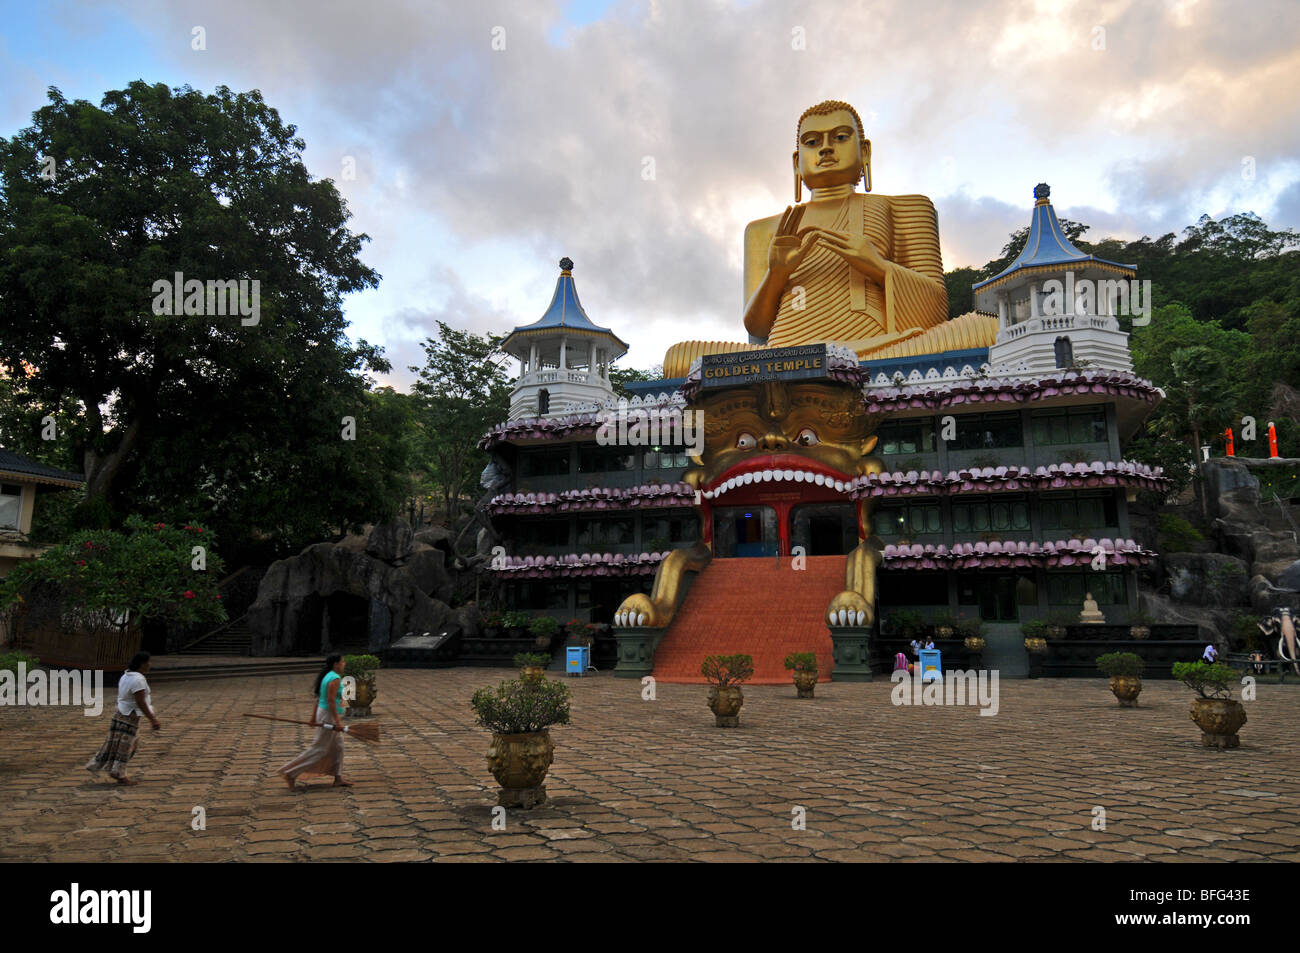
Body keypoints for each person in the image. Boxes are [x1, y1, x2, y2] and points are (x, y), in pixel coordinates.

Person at [279, 654, 353, 790]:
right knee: (320, 749)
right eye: (343, 662)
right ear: (336, 664)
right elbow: (330, 700)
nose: (344, 664)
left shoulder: (328, 675)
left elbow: (319, 698)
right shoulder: (334, 679)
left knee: (339, 747)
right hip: (328, 715)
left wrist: (313, 717)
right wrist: (337, 722)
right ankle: (290, 773)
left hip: (324, 713)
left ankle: (338, 777)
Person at [86, 651, 160, 785]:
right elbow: (140, 701)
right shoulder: (138, 680)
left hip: (120, 714)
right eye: (148, 662)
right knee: (125, 746)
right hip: (129, 717)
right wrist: (153, 719)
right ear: (142, 664)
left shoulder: (126, 675)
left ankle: (108, 767)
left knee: (116, 743)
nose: (150, 665)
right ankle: (119, 774)